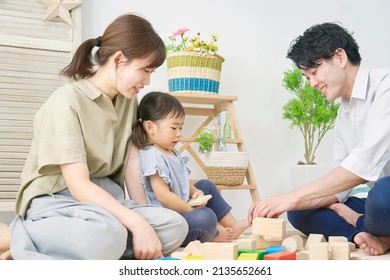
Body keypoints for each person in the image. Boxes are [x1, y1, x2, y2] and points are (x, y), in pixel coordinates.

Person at [2, 13, 188, 260]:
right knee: (108, 236)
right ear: (119, 59)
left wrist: (140, 217)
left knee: (175, 226)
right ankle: (15, 237)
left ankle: (59, 251)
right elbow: (78, 185)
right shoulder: (66, 101)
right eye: (145, 70)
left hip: (107, 202)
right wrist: (135, 223)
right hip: (59, 201)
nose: (148, 80)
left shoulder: (129, 103)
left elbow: (132, 166)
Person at [248, 22, 390, 256]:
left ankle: (364, 224)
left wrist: (291, 197)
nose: (312, 84)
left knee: (382, 194)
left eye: (314, 72)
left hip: (385, 198)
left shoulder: (385, 86)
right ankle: (362, 234)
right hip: (378, 206)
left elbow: (362, 168)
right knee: (299, 212)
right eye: (307, 77)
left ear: (340, 57)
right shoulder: (344, 113)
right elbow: (340, 187)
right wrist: (287, 202)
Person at [131, 91, 250, 246]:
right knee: (205, 216)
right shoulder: (152, 155)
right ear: (150, 127)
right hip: (171, 222)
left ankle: (232, 225)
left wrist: (195, 192)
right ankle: (213, 234)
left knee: (206, 186)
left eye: (181, 127)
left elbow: (182, 180)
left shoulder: (171, 151)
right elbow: (163, 195)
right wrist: (189, 210)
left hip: (181, 210)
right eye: (173, 128)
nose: (179, 134)